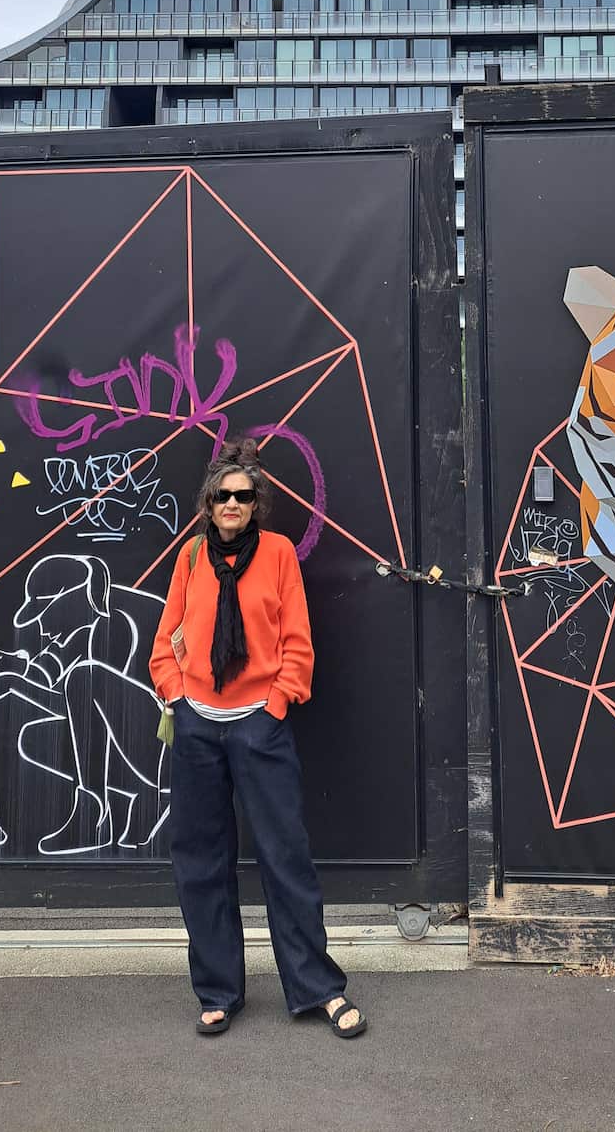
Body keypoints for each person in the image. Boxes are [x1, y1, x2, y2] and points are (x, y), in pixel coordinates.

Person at [149, 440, 366, 1038]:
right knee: (201, 862)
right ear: (208, 502)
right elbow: (165, 636)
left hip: (258, 725)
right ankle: (218, 990)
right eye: (223, 495)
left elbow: (297, 639)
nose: (233, 504)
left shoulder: (276, 556)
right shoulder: (191, 558)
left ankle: (319, 987)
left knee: (285, 856)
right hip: (196, 725)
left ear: (256, 503)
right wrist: (174, 694)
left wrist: (275, 703)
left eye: (244, 496)